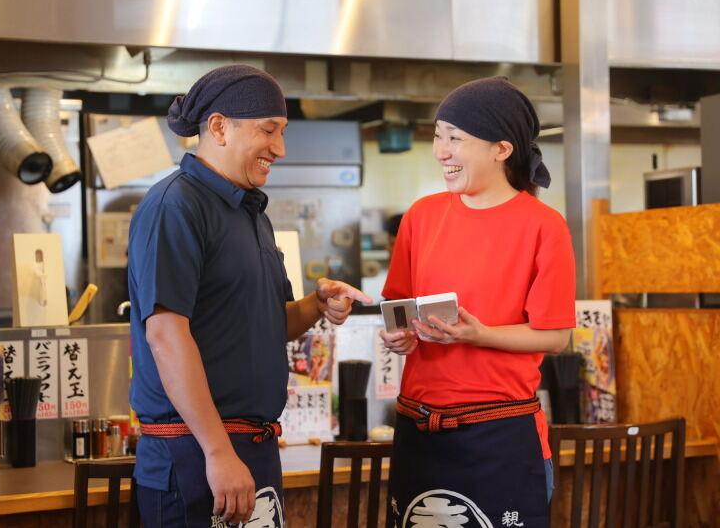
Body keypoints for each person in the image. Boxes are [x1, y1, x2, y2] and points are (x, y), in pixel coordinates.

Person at [127, 64, 371, 527]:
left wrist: (316, 306)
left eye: (281, 132)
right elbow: (165, 334)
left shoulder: (250, 211)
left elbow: (271, 322)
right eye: (268, 130)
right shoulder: (174, 205)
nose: (279, 148)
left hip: (252, 450)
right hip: (197, 452)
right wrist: (217, 452)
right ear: (219, 127)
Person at [380, 76, 575, 528]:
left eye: (455, 138)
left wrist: (478, 333)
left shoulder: (544, 226)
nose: (441, 150)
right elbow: (398, 308)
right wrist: (399, 336)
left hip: (499, 433)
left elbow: (557, 335)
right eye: (437, 135)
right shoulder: (421, 216)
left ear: (501, 149)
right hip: (419, 426)